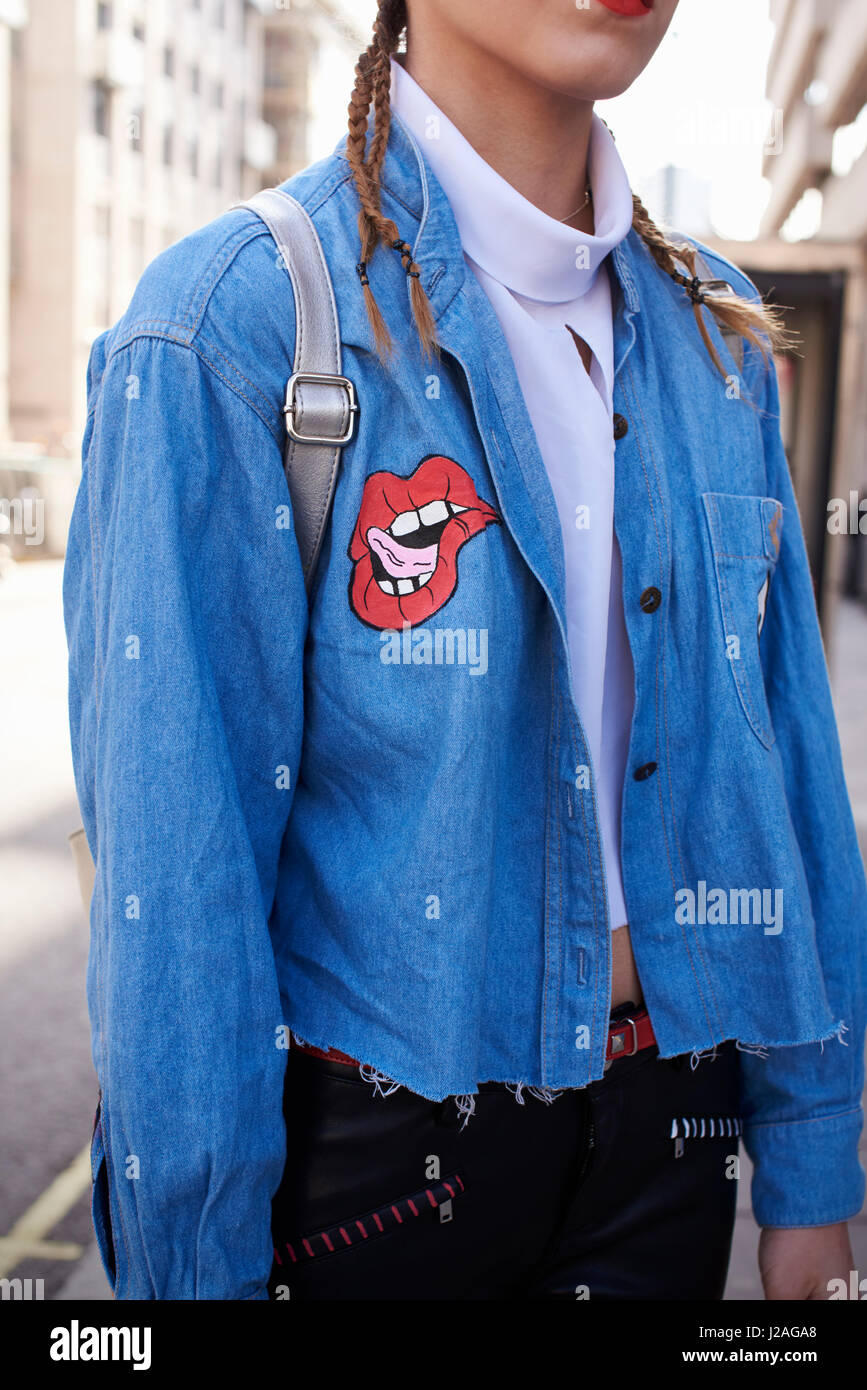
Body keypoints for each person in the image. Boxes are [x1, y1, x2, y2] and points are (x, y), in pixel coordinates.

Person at [63, 0, 867, 1301]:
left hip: (670, 1140)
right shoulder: (232, 331)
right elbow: (180, 896)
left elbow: (786, 790)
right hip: (369, 1175)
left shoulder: (717, 338)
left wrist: (815, 1163)